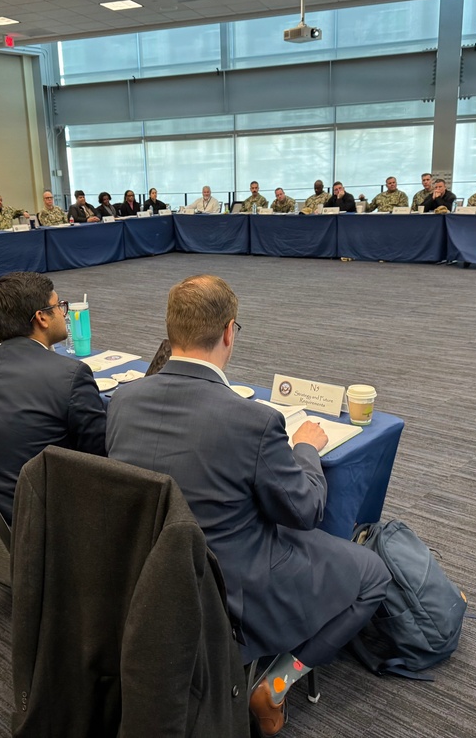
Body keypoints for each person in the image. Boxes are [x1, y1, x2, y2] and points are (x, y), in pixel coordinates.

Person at [106, 275, 389, 737]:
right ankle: (275, 683)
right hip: (232, 588)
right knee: (373, 575)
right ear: (230, 332)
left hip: (147, 575)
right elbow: (305, 512)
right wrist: (305, 451)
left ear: (171, 329)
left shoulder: (122, 400)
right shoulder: (254, 421)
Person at [0, 271, 107, 522]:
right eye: (59, 306)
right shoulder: (69, 375)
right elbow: (100, 456)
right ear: (42, 318)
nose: (63, 314)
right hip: (45, 523)